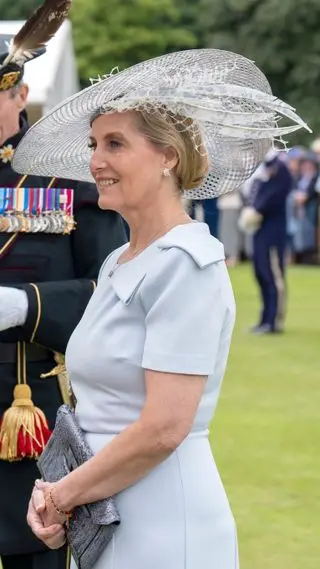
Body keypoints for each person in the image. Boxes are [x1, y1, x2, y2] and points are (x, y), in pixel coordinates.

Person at [15, 49, 309, 569]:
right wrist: (63, 494)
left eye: (115, 144)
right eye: (93, 144)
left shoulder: (187, 263)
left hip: (164, 520)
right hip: (105, 514)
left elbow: (163, 429)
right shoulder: (117, 262)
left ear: (168, 156)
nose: (95, 162)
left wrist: (61, 495)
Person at [0, 35, 127, 569]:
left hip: (25, 418)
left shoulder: (70, 175)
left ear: (20, 92)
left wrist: (27, 305)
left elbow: (116, 291)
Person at [250, 151, 293, 334]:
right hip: (259, 228)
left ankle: (274, 320)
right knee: (261, 273)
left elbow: (274, 196)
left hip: (273, 230)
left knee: (273, 275)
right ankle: (265, 318)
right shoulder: (261, 166)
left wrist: (257, 208)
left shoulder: (280, 167)